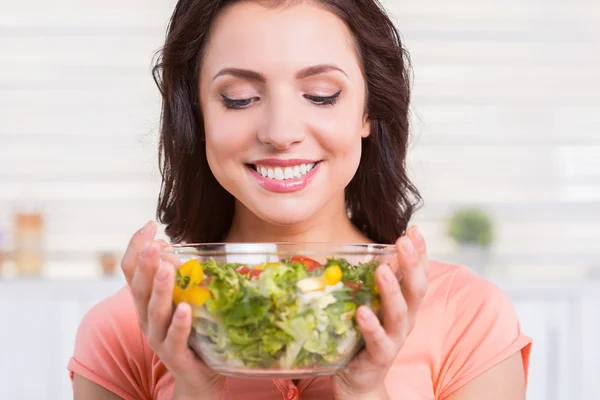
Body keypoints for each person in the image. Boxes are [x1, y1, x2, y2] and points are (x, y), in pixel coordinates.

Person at [67, 0, 532, 399]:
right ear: (197, 115)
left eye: (321, 95)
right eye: (239, 98)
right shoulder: (124, 331)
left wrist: (365, 389)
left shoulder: (465, 315)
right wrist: (195, 388)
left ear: (369, 110)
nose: (281, 133)